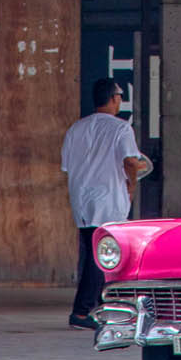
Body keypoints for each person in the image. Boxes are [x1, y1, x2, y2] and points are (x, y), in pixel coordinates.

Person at [61, 77, 144, 330]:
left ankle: (98, 306)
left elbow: (66, 166)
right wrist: (132, 184)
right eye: (119, 96)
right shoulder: (121, 128)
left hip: (82, 199)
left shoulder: (76, 128)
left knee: (92, 251)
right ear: (113, 98)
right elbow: (131, 162)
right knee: (103, 255)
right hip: (108, 198)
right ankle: (82, 311)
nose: (120, 100)